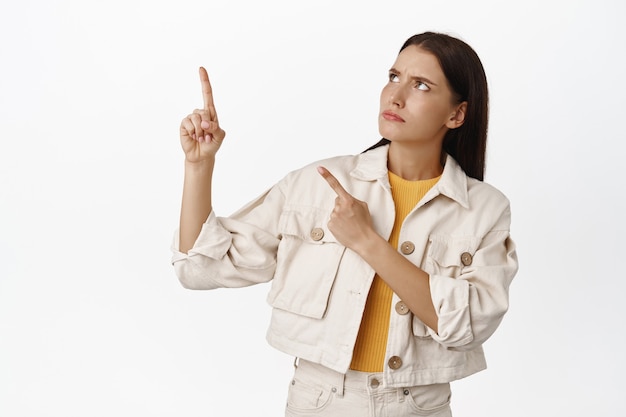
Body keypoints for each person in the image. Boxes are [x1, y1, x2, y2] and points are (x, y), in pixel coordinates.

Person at [171, 31, 518, 417]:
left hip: (419, 407)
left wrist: (367, 241)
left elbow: (467, 325)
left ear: (457, 114)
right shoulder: (316, 184)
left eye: (420, 85)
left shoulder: (484, 209)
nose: (396, 96)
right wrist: (199, 166)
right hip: (320, 402)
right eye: (393, 76)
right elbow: (198, 267)